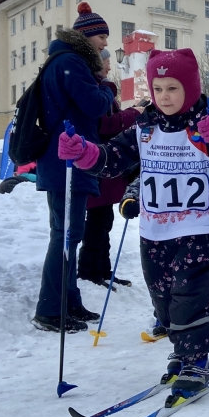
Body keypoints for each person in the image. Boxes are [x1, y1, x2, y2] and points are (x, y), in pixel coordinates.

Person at [59, 47, 209, 396]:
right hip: (155, 227)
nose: (165, 96)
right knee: (162, 295)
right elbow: (113, 160)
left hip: (197, 223)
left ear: (189, 88)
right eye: (158, 89)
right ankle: (180, 348)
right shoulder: (142, 127)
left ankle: (196, 360)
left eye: (173, 88)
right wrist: (84, 153)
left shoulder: (204, 126)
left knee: (189, 292)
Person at [32, 2, 114, 333]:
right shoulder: (71, 63)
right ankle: (51, 309)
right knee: (65, 235)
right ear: (87, 37)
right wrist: (107, 89)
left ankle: (69, 301)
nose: (105, 44)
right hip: (67, 158)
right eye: (102, 38)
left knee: (69, 234)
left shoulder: (64, 61)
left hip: (65, 158)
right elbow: (94, 105)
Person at [77, 49, 143, 289]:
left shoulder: (99, 89)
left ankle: (102, 270)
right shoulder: (98, 92)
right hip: (100, 162)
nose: (108, 67)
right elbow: (106, 124)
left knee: (103, 220)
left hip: (103, 164)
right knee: (97, 221)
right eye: (105, 62)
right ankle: (89, 270)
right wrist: (134, 113)